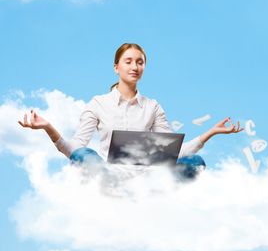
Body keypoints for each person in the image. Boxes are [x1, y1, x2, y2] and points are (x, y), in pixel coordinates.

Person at [18, 42, 243, 178]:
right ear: (116, 67)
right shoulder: (98, 103)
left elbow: (172, 153)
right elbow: (75, 149)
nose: (135, 67)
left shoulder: (152, 107)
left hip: (148, 177)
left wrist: (210, 133)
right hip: (108, 174)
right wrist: (48, 127)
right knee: (84, 155)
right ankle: (111, 188)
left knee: (196, 163)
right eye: (128, 61)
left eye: (140, 62)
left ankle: (155, 195)